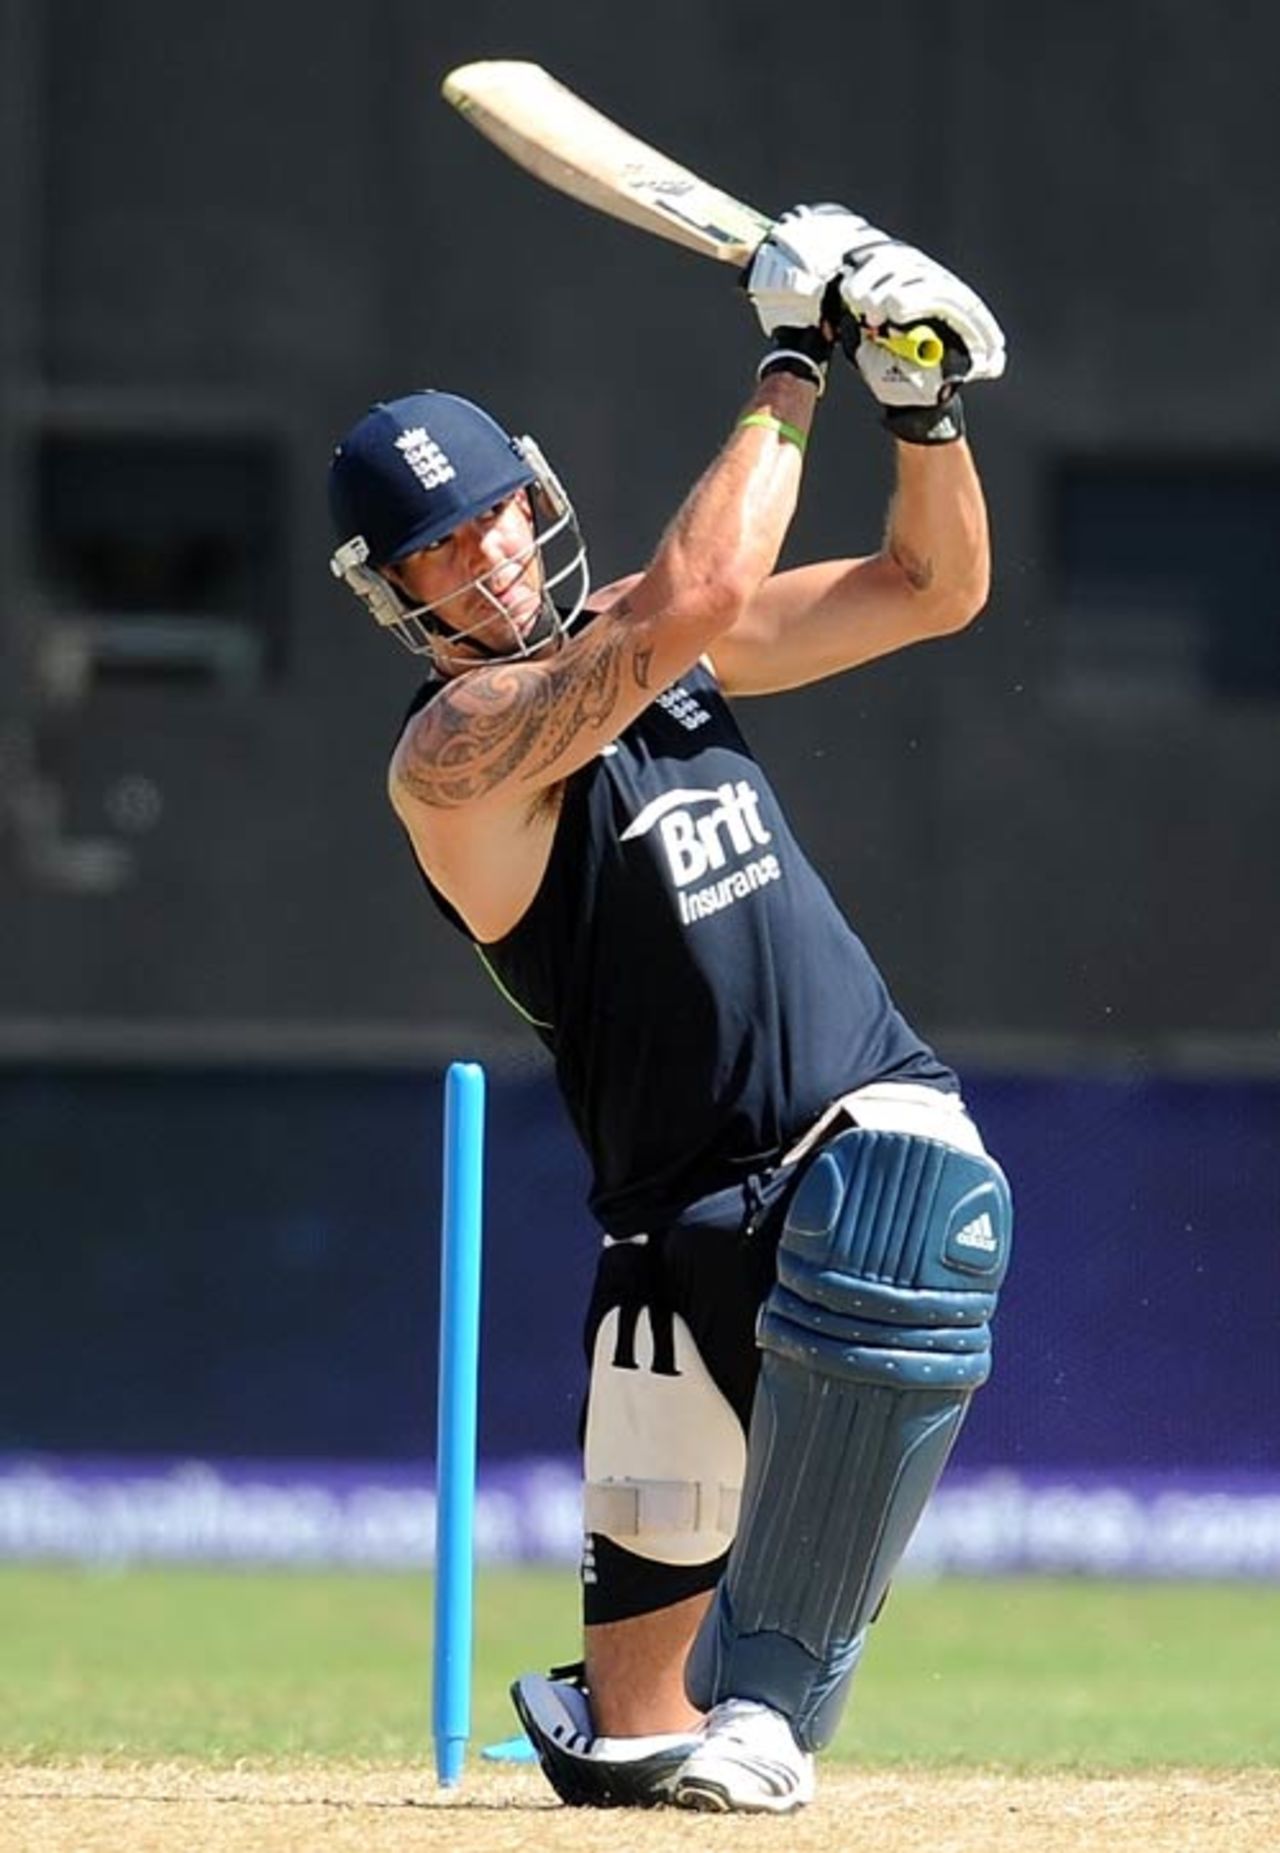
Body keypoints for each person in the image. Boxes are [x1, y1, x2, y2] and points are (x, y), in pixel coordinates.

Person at [329, 204, 1014, 1813]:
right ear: (397, 594)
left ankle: (784, 1705)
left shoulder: (662, 643)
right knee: (638, 1747)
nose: (486, 557)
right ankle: (653, 1713)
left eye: (497, 513)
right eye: (440, 548)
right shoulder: (454, 754)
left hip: (853, 1136)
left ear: (540, 497)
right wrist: (794, 361)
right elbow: (696, 599)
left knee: (919, 1199)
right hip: (667, 1234)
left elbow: (935, 585)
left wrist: (927, 409)